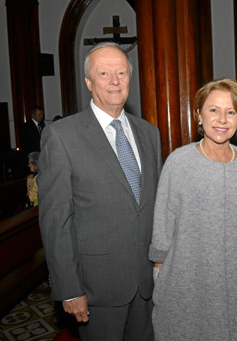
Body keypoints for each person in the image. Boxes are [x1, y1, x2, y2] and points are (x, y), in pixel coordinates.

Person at [38, 42, 162, 341]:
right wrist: (69, 289)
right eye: (104, 73)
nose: (115, 80)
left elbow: (155, 206)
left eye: (121, 72)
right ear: (89, 82)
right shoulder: (62, 136)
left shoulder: (149, 133)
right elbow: (57, 221)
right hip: (97, 289)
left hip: (147, 285)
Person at [149, 78, 237, 340]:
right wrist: (159, 274)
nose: (222, 119)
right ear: (199, 115)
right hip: (186, 277)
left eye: (231, 112)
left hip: (236, 280)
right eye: (213, 110)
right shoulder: (178, 161)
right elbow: (163, 222)